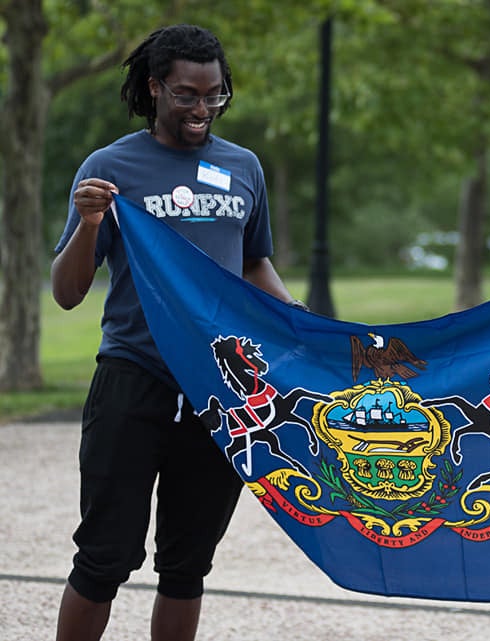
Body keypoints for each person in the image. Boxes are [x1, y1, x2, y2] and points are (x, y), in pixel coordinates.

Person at [51, 24, 304, 641]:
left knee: (187, 567)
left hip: (220, 391)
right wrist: (88, 225)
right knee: (104, 558)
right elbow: (66, 292)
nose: (201, 109)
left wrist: (302, 327)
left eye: (214, 95)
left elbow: (252, 263)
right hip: (133, 379)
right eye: (187, 94)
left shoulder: (242, 166)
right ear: (156, 87)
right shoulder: (110, 168)